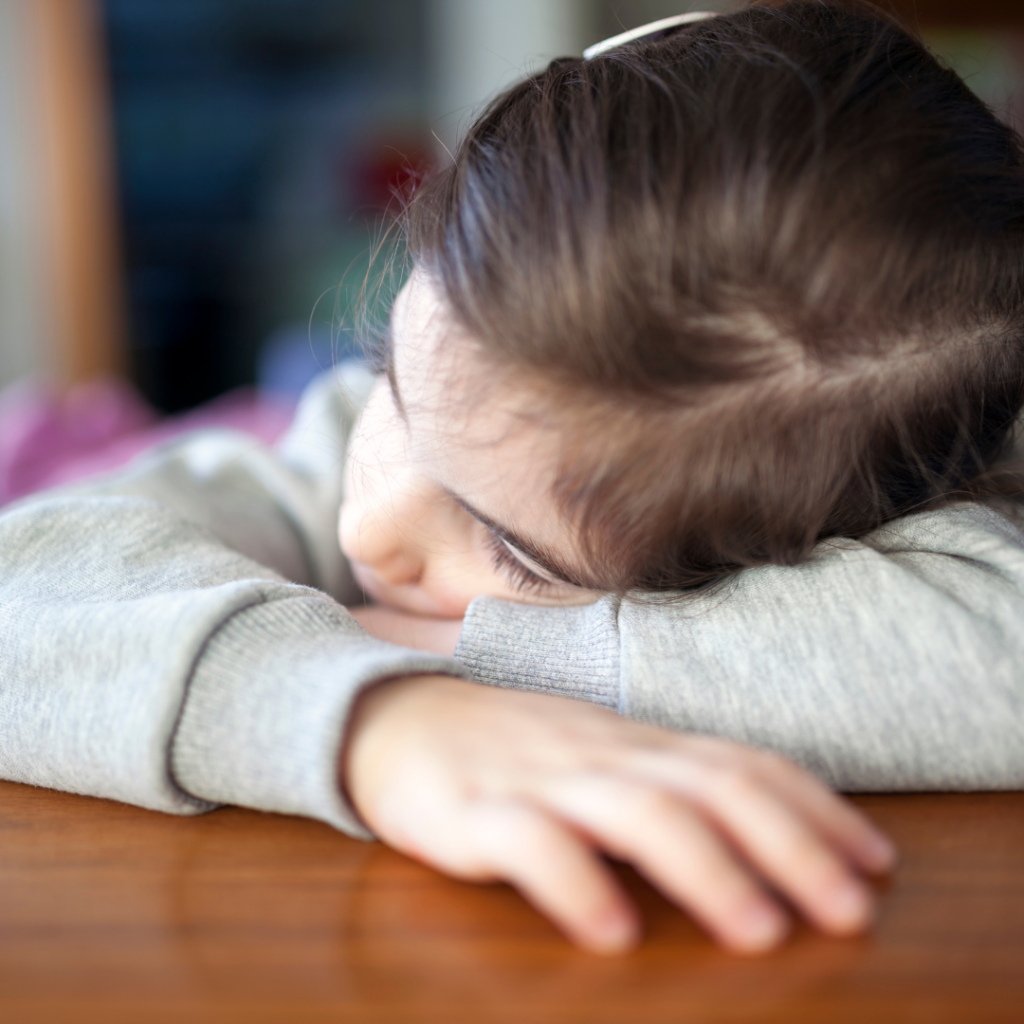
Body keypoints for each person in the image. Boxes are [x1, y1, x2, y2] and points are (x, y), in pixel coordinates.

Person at [3, 0, 1024, 956]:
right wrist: (373, 719)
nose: (369, 526)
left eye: (510, 546)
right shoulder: (342, 443)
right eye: (392, 373)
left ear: (825, 551)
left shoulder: (921, 499)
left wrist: (492, 652)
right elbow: (25, 594)